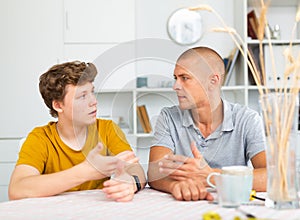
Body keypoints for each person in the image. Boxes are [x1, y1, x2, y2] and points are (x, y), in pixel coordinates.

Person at [9, 61, 146, 202]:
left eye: (92, 92)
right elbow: (17, 189)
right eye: (82, 96)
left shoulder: (107, 129)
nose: (93, 101)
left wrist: (129, 182)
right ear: (58, 105)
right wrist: (86, 171)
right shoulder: (40, 138)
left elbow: (137, 170)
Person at [148, 46, 267, 201]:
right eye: (175, 78)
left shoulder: (247, 119)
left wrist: (211, 176)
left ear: (213, 81)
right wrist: (175, 186)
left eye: (184, 78)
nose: (176, 86)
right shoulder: (169, 117)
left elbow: (271, 176)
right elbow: (155, 171)